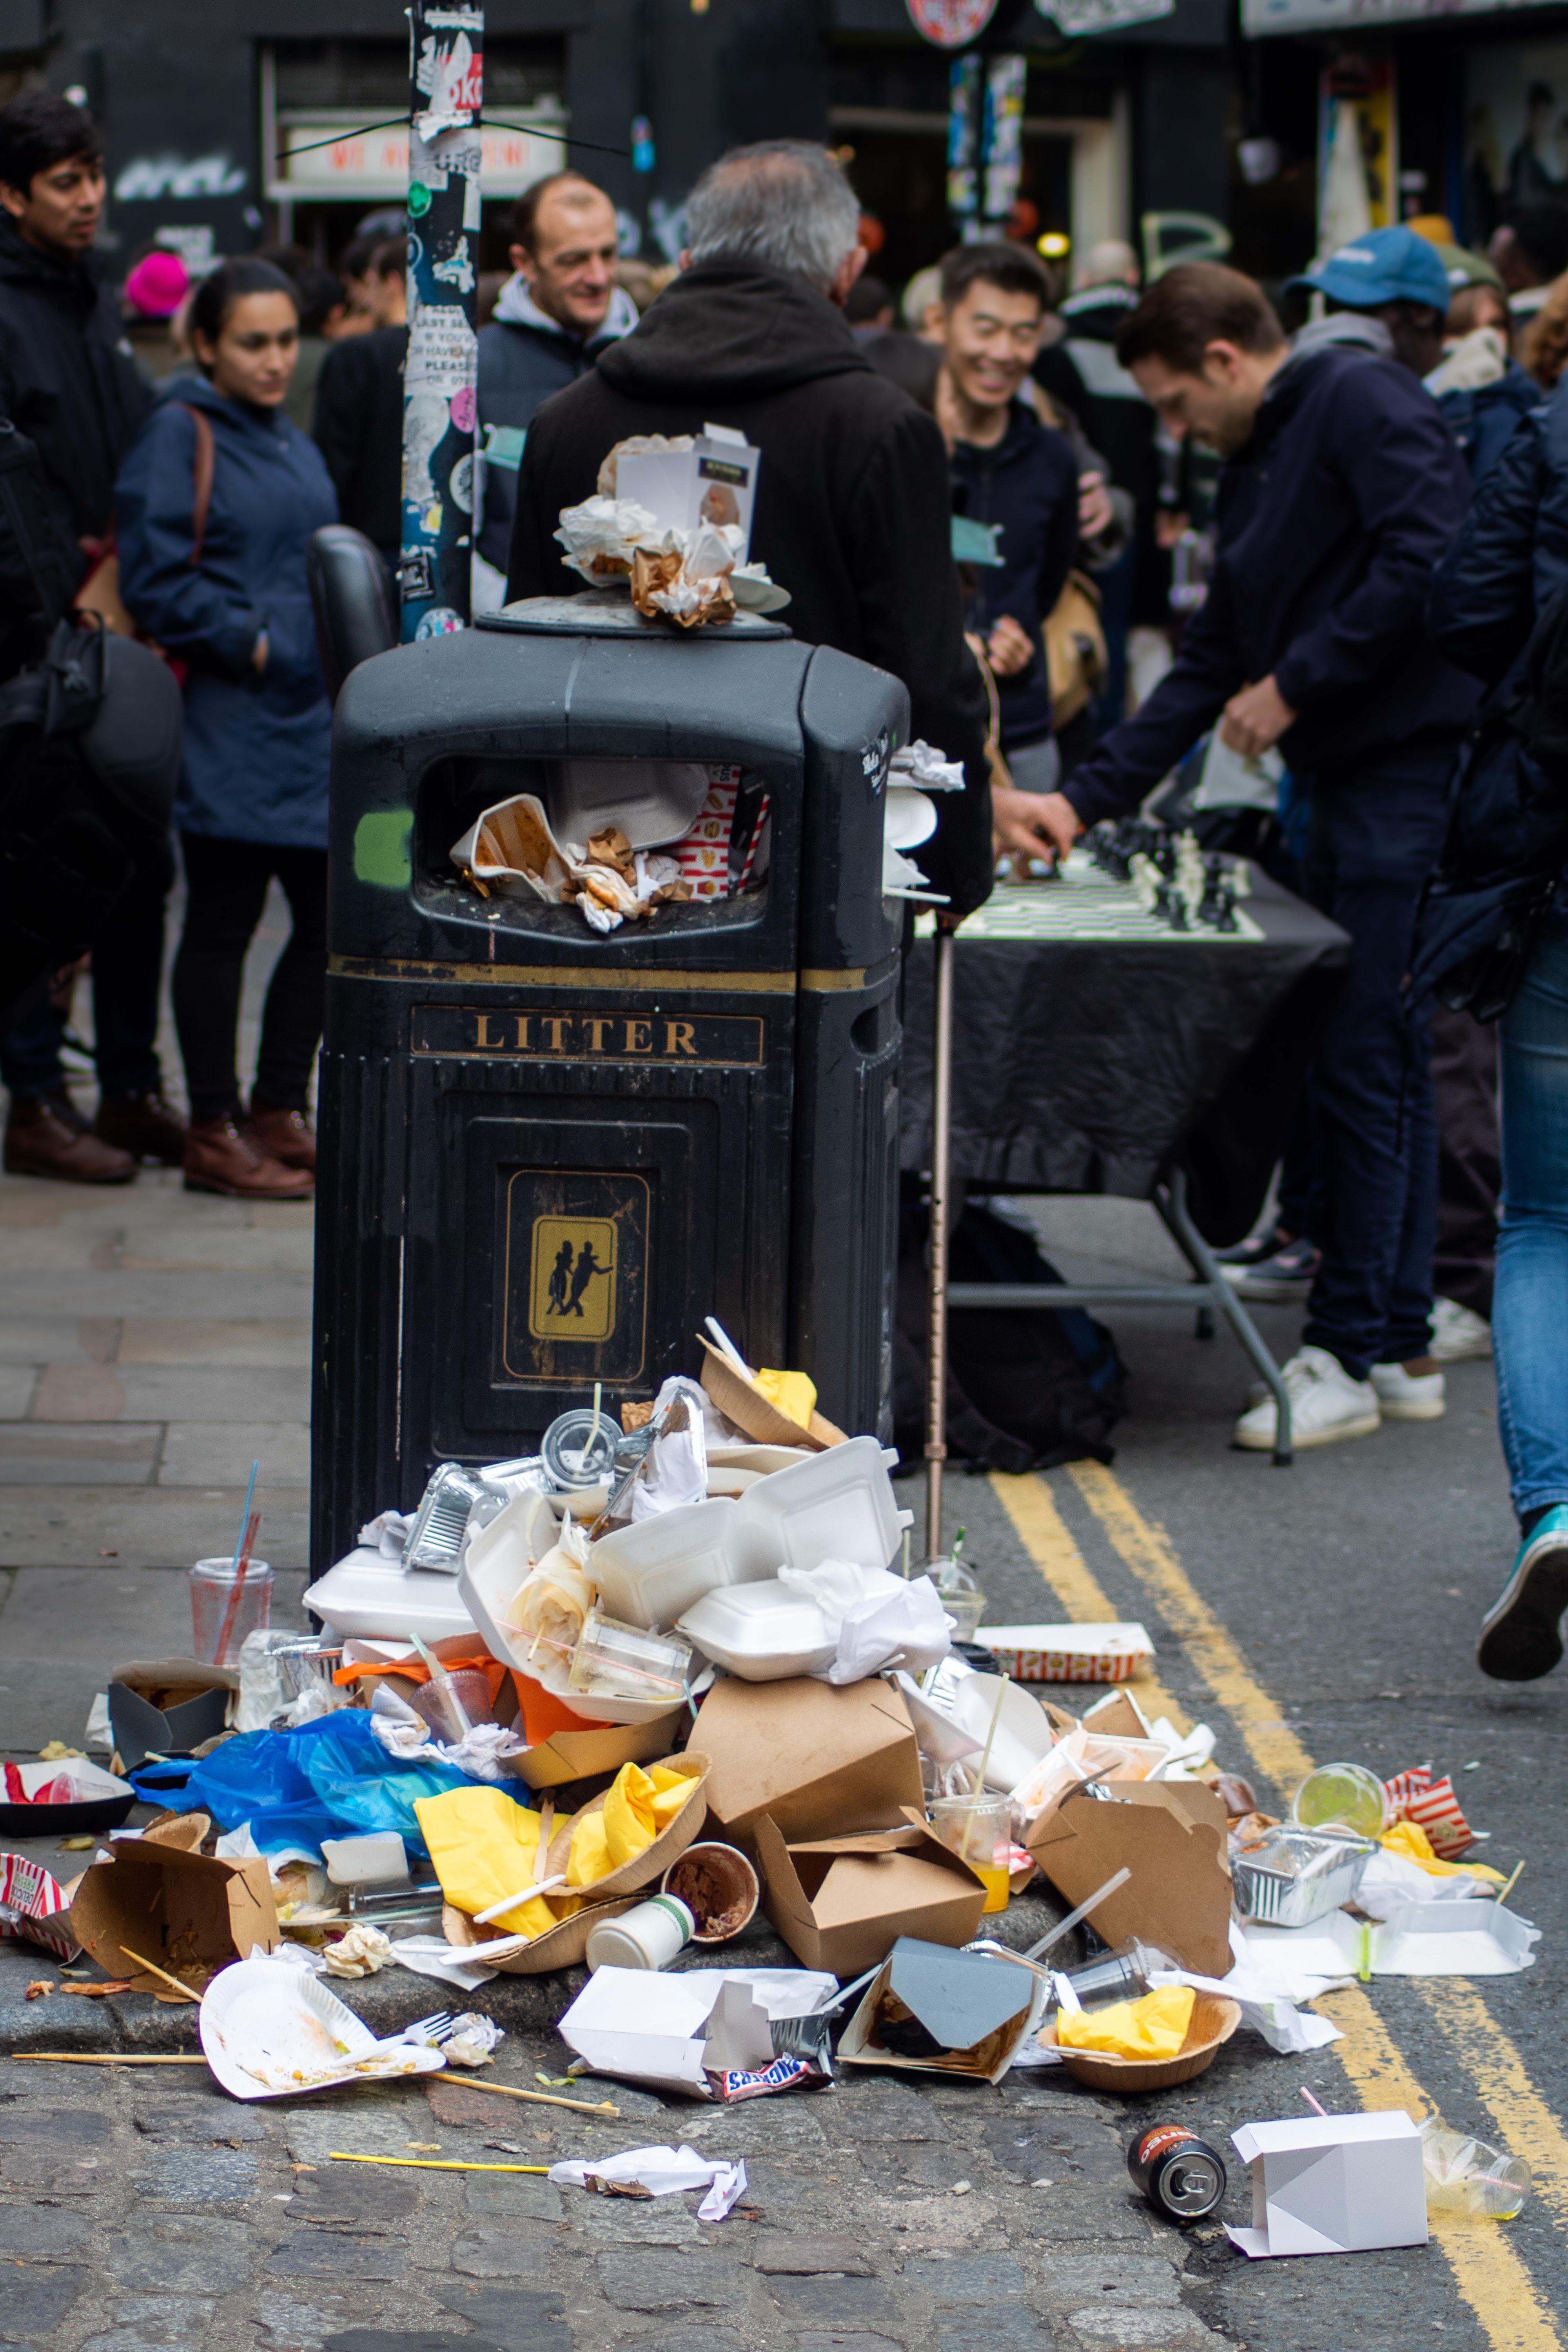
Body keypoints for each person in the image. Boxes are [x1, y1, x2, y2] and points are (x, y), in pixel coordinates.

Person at [1024, 262, 1479, 1449]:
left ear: (1223, 360)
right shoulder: (1263, 451)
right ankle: (1392, 1340)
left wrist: (1294, 683)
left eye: (1174, 403)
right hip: (1340, 782)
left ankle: (1355, 1344)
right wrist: (1079, 802)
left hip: (1400, 779)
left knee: (1366, 1057)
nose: (1175, 428)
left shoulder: (1359, 400)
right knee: (1367, 1057)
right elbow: (1208, 653)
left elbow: (1432, 563)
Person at [504, 139, 998, 911]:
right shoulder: (878, 430)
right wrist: (956, 872)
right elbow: (925, 681)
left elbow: (522, 656)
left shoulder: (565, 422)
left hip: (593, 871)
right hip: (809, 878)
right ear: (845, 271)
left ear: (691, 255)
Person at [116, 257, 337, 1201]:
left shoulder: (289, 436)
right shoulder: (179, 431)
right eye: (254, 342)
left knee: (329, 919)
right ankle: (213, 1125)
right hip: (231, 718)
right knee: (222, 925)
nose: (276, 359)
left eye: (287, 339)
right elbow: (154, 579)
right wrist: (250, 645)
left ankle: (277, 1106)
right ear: (203, 344)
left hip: (307, 718)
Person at [0, 89, 184, 1185]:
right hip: (34, 639)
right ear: (11, 193)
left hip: (111, 625)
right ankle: (34, 1097)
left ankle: (125, 1087)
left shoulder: (93, 302)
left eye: (93, 175)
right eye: (64, 181)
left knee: (137, 862)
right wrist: (67, 591)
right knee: (35, 864)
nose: (89, 198)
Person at [1428, 372, 1568, 1678]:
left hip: (1560, 855)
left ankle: (1558, 1509)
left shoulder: (1551, 426)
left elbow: (1466, 610)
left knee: (1547, 1218)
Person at [931, 242, 1080, 797]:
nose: (1003, 352)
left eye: (1024, 333)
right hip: (921, 734)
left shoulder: (1053, 456)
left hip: (1022, 727)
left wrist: (1015, 636)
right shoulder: (909, 445)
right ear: (939, 322)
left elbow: (1048, 582)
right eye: (986, 328)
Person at [472, 172, 637, 610]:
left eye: (608, 254)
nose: (598, 276)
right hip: (519, 639)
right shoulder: (478, 367)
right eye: (573, 260)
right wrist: (517, 615)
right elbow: (454, 533)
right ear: (524, 262)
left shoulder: (651, 356)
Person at [1034, 240, 1156, 728]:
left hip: (1070, 512)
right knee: (1115, 631)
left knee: (1066, 632)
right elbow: (1169, 440)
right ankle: (1109, 741)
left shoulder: (1059, 350)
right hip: (1133, 514)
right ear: (1131, 279)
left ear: (1083, 280)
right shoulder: (1150, 346)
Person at [312, 237, 407, 561]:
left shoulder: (355, 356)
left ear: (391, 283)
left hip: (365, 551)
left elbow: (333, 461)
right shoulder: (462, 357)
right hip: (448, 550)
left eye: (370, 286)